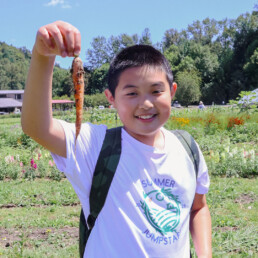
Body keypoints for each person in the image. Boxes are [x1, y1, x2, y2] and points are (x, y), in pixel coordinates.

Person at [21, 21, 212, 258]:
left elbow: (198, 208)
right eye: (131, 93)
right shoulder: (94, 145)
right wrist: (43, 55)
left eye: (156, 91)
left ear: (172, 92)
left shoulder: (187, 148)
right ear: (111, 98)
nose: (145, 103)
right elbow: (36, 126)